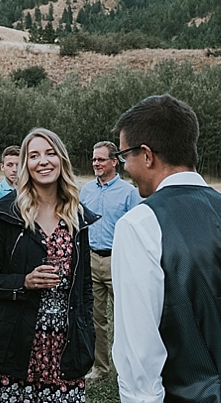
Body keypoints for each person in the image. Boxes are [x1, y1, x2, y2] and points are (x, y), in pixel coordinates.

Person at [110, 94, 221, 402]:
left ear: (147, 155)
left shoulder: (140, 224)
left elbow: (139, 350)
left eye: (125, 156)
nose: (125, 167)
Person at [0, 128, 98, 402]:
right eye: (34, 156)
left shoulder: (77, 216)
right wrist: (24, 282)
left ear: (61, 160)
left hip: (64, 353)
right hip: (13, 346)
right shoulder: (7, 212)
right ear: (25, 165)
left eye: (50, 153)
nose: (43, 161)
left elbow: (85, 288)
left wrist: (86, 335)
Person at [78, 140, 141, 381]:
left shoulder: (129, 193)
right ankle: (100, 369)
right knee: (95, 319)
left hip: (119, 262)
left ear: (114, 162)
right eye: (94, 159)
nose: (96, 163)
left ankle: (130, 370)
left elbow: (137, 230)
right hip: (92, 260)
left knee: (127, 319)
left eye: (101, 159)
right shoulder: (86, 191)